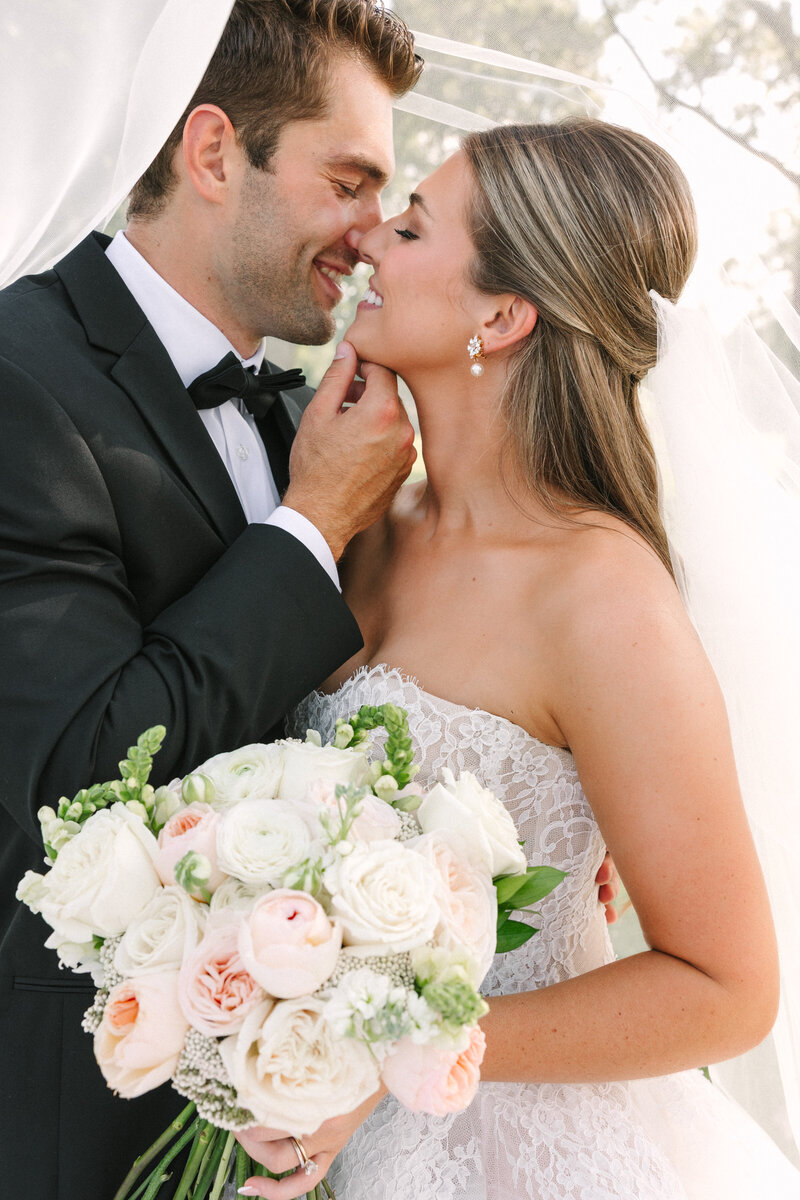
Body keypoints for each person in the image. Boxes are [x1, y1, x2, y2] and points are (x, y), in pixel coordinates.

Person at [236, 120, 800, 1198]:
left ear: (498, 314)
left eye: (408, 227)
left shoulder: (598, 598)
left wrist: (407, 1048)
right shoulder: (358, 522)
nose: (367, 249)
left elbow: (726, 988)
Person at [0, 2, 422, 1194]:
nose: (372, 235)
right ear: (210, 152)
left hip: (306, 1119)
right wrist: (311, 525)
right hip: (82, 1120)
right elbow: (76, 773)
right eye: (348, 181)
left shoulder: (307, 413)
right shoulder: (17, 376)